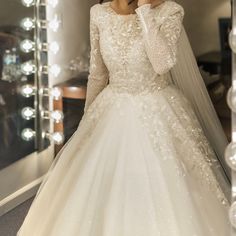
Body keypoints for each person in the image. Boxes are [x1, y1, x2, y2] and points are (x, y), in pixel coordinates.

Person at [17, 0, 231, 235]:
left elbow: (163, 64)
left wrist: (145, 12)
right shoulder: (98, 14)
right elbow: (98, 73)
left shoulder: (169, 11)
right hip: (111, 106)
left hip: (158, 108)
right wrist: (87, 121)